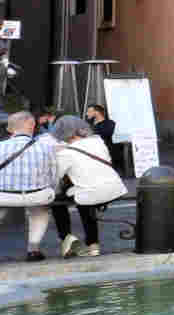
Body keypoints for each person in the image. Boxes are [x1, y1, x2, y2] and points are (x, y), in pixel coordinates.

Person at [50, 114, 126, 257]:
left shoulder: (66, 153)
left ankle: (66, 238)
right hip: (115, 188)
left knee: (58, 201)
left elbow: (55, 177)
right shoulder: (98, 141)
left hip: (91, 193)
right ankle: (93, 244)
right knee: (84, 198)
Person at [0, 110, 62, 260]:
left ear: (9, 129)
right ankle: (33, 249)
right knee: (40, 211)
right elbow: (54, 176)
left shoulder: (1, 146)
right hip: (37, 195)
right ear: (33, 126)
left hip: (3, 196)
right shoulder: (46, 147)